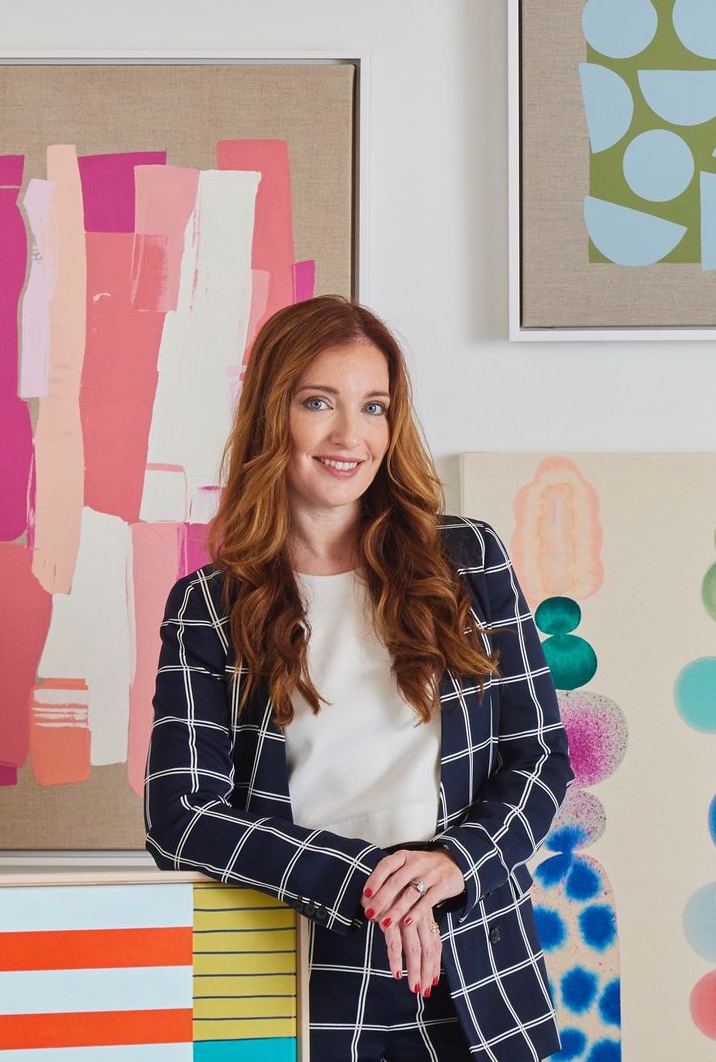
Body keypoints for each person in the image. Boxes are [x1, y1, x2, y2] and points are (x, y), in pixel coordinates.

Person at [143, 295, 572, 1061]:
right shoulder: (208, 605)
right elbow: (180, 816)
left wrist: (453, 863)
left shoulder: (468, 562)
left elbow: (538, 756)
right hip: (299, 969)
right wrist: (368, 879)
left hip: (477, 967)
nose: (351, 436)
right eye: (319, 402)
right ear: (274, 416)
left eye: (373, 407)